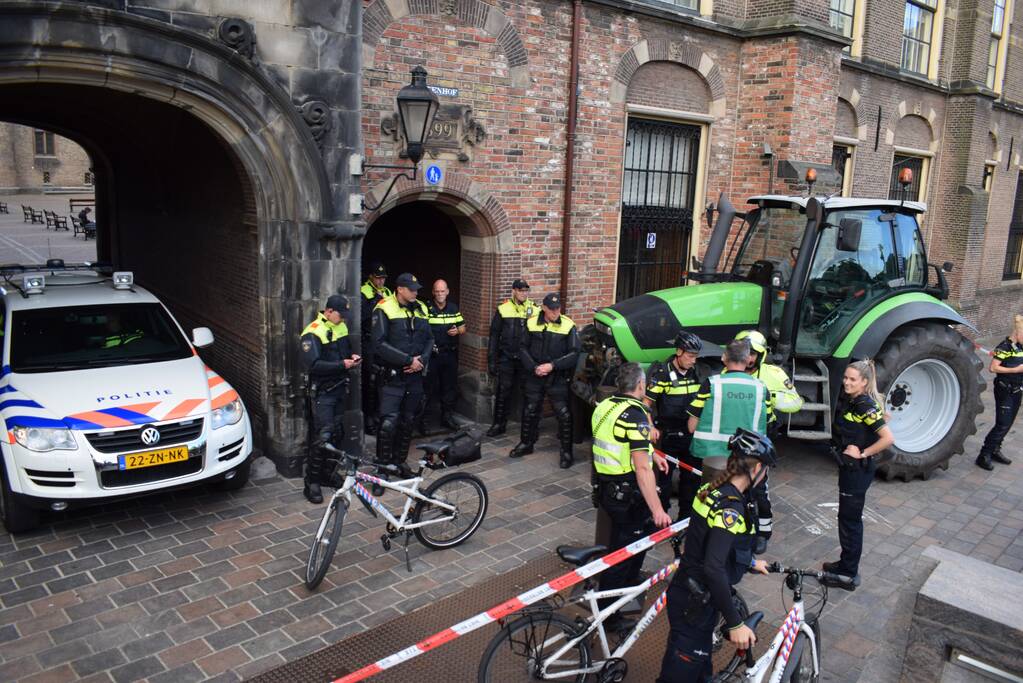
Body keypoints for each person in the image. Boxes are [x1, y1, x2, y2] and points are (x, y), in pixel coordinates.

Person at [655, 429, 775, 683]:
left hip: (690, 593)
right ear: (756, 470)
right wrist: (735, 624)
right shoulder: (731, 507)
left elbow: (711, 542)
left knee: (700, 672)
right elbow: (713, 567)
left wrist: (750, 562)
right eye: (766, 471)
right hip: (694, 604)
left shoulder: (714, 488)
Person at [592, 362, 672, 625]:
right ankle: (608, 615)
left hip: (606, 488)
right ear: (641, 385)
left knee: (626, 544)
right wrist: (658, 509)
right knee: (622, 554)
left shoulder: (605, 405)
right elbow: (641, 469)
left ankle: (626, 588)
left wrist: (653, 454)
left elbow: (619, 444)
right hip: (627, 496)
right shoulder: (635, 415)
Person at [822, 359, 894, 588]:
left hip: (857, 471)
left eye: (852, 379)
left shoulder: (863, 404)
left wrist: (862, 452)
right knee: (846, 518)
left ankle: (848, 574)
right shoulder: (857, 400)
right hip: (850, 471)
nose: (847, 382)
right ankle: (845, 564)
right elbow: (876, 421)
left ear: (864, 382)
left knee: (850, 521)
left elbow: (888, 439)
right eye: (846, 378)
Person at [734, 329, 803, 553]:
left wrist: (770, 395)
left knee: (759, 489)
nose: (748, 358)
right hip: (737, 438)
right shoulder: (730, 371)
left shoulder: (772, 373)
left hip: (761, 438)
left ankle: (763, 533)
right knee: (735, 487)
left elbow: (795, 402)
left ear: (760, 354)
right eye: (744, 352)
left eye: (752, 353)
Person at [300, 294, 361, 504]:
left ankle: (328, 474)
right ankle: (312, 482)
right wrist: (342, 365)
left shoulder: (340, 327)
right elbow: (313, 365)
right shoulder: (312, 332)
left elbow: (346, 351)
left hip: (339, 389)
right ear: (328, 312)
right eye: (340, 315)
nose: (343, 319)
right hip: (323, 392)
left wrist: (352, 358)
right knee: (322, 436)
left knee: (336, 433)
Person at [511, 293, 581, 468]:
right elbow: (522, 347)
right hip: (535, 374)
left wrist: (552, 366)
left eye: (558, 308)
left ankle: (566, 452)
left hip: (556, 376)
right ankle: (526, 443)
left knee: (563, 414)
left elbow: (574, 354)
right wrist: (534, 367)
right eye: (552, 309)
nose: (555, 312)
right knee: (530, 409)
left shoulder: (568, 325)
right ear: (544, 308)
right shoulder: (532, 322)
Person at [372, 272, 433, 472]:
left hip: (415, 375)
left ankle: (399, 461)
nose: (415, 292)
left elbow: (430, 339)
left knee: (408, 421)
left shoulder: (422, 307)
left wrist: (421, 360)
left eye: (416, 289)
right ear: (399, 289)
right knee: (389, 423)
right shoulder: (383, 308)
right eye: (411, 289)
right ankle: (382, 468)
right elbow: (379, 344)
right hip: (393, 376)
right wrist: (408, 360)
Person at [688, 339, 772, 483]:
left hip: (711, 456)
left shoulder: (711, 384)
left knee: (710, 496)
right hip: (747, 455)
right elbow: (769, 421)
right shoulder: (761, 388)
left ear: (724, 358)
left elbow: (691, 426)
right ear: (747, 359)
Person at [645, 330, 704, 520]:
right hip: (668, 436)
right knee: (664, 482)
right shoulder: (662, 374)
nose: (693, 360)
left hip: (690, 435)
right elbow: (645, 405)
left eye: (696, 356)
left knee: (691, 480)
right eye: (690, 356)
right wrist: (651, 427)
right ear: (679, 352)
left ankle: (684, 520)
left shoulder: (697, 373)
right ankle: (660, 520)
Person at [486, 279, 535, 437]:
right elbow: (494, 336)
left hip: (525, 359)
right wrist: (492, 360)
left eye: (526, 291)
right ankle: (499, 424)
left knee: (529, 393)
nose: (523, 293)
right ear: (513, 291)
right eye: (521, 290)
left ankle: (530, 428)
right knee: (503, 391)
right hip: (507, 357)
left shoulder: (534, 309)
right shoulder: (503, 309)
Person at [976, 313, 1023, 470]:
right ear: (1017, 333)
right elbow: (993, 368)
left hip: (1017, 390)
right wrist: (1016, 369)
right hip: (1005, 390)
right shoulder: (1005, 347)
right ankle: (984, 455)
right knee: (1002, 424)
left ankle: (995, 449)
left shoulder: (1021, 347)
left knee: (1008, 423)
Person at [422, 279, 466, 432]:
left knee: (449, 388)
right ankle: (423, 421)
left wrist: (457, 331)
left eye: (443, 291)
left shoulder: (453, 307)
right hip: (432, 355)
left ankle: (447, 418)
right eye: (437, 291)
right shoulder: (426, 308)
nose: (440, 294)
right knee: (427, 388)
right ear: (433, 292)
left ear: (447, 291)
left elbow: (463, 327)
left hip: (449, 354)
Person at [360, 262, 391, 435]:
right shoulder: (363, 291)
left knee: (383, 378)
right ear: (371, 277)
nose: (381, 281)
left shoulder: (387, 292)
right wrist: (375, 300)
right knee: (370, 380)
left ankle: (380, 414)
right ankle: (368, 417)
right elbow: (362, 315)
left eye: (383, 278)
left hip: (383, 340)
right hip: (369, 341)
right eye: (378, 278)